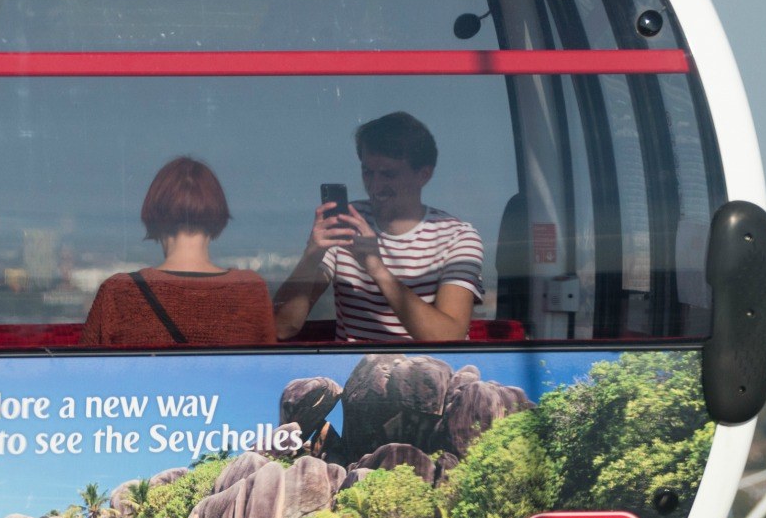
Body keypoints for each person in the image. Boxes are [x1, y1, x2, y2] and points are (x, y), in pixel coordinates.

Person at [275, 111, 485, 343]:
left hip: (428, 375)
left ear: (423, 174)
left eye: (388, 174)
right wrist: (311, 255)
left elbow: (448, 339)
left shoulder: (457, 237)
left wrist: (376, 268)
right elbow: (282, 327)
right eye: (368, 172)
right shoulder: (347, 224)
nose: (375, 186)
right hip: (356, 375)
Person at [80, 157, 278, 348]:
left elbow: (84, 374)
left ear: (154, 215)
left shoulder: (118, 292)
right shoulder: (251, 290)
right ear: (217, 214)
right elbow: (267, 372)